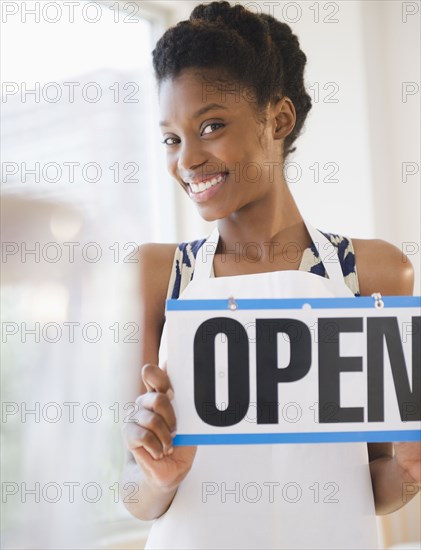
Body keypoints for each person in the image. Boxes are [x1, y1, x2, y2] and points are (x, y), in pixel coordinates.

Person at [121, 2, 420, 548]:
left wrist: (409, 472)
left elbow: (378, 482)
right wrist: (155, 476)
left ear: (278, 120)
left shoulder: (377, 274)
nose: (186, 160)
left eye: (211, 125)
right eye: (171, 138)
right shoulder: (158, 274)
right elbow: (134, 498)